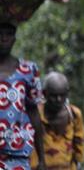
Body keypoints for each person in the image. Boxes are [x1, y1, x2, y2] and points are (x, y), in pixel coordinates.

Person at [0, 22, 46, 170]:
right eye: (0, 34)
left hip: (17, 154)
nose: (4, 38)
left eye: (9, 34)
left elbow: (34, 112)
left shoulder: (28, 70)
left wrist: (42, 159)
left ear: (14, 38)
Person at [30, 72, 84, 170]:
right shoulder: (35, 115)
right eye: (53, 96)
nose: (58, 99)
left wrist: (78, 162)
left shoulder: (74, 114)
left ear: (67, 93)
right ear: (44, 93)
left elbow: (79, 142)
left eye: (62, 95)